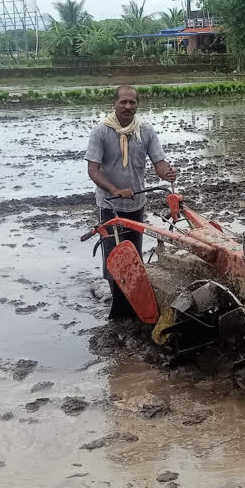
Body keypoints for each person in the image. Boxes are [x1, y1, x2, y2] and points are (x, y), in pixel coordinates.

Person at [85, 85, 178, 317]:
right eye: (123, 102)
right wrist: (115, 189)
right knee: (114, 254)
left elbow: (159, 163)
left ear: (137, 105)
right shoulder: (101, 132)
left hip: (136, 203)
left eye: (132, 103)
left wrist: (167, 173)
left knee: (133, 254)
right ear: (114, 104)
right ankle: (118, 301)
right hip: (110, 205)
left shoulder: (145, 131)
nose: (128, 107)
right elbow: (93, 170)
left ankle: (133, 299)